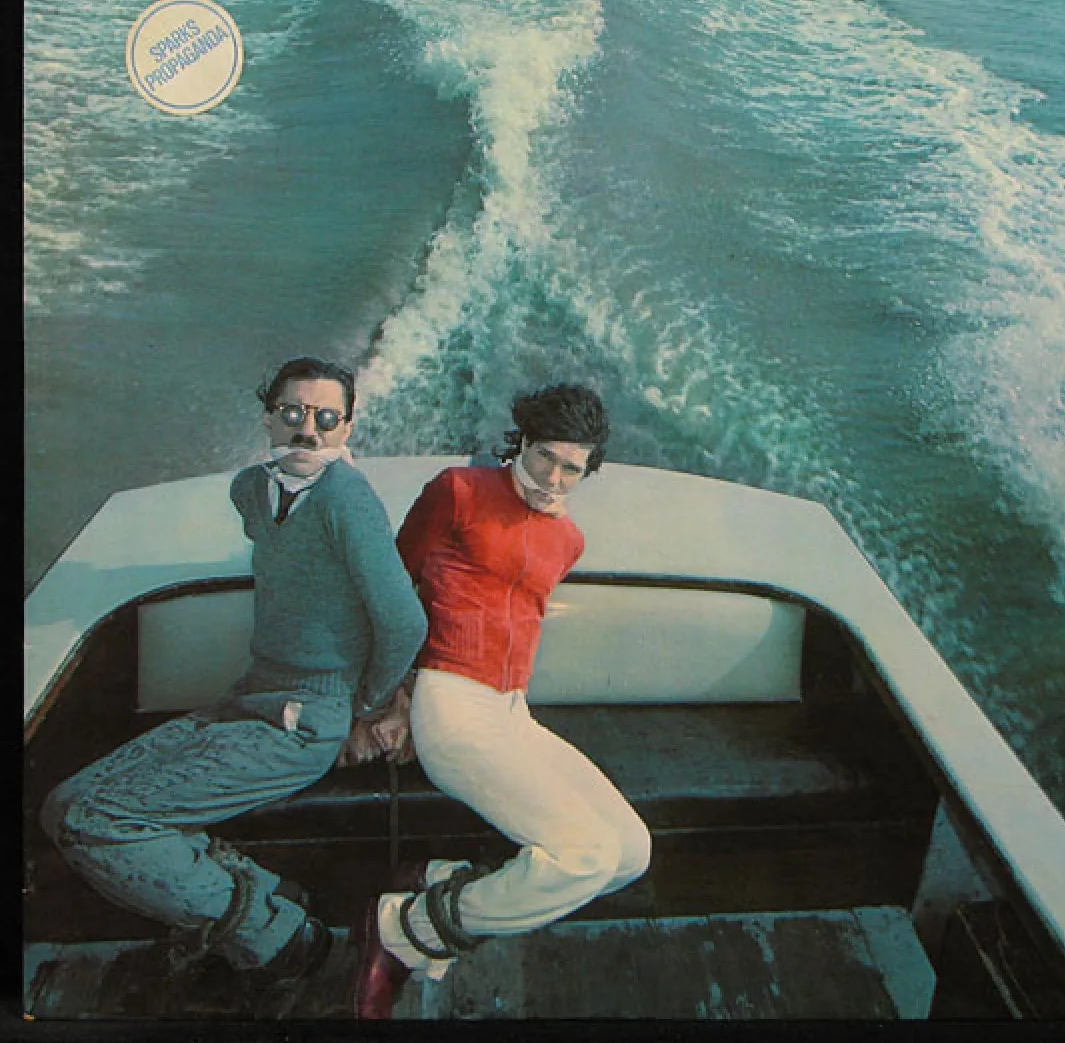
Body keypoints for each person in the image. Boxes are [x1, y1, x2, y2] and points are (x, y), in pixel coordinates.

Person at [40, 356, 427, 1014]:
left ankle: (281, 940)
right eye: (292, 412)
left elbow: (404, 621)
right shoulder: (252, 490)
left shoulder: (347, 500)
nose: (308, 429)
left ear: (347, 427)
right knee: (63, 805)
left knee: (94, 820)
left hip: (304, 721)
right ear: (269, 416)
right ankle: (262, 896)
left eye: (326, 417)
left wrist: (365, 708)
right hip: (248, 697)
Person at [353, 384, 652, 1019]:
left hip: (513, 711)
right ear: (522, 442)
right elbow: (392, 591)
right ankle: (405, 930)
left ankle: (442, 882)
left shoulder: (568, 539)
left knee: (630, 853)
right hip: (451, 702)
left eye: (572, 468)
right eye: (544, 457)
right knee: (584, 855)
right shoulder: (457, 491)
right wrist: (392, 695)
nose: (553, 479)